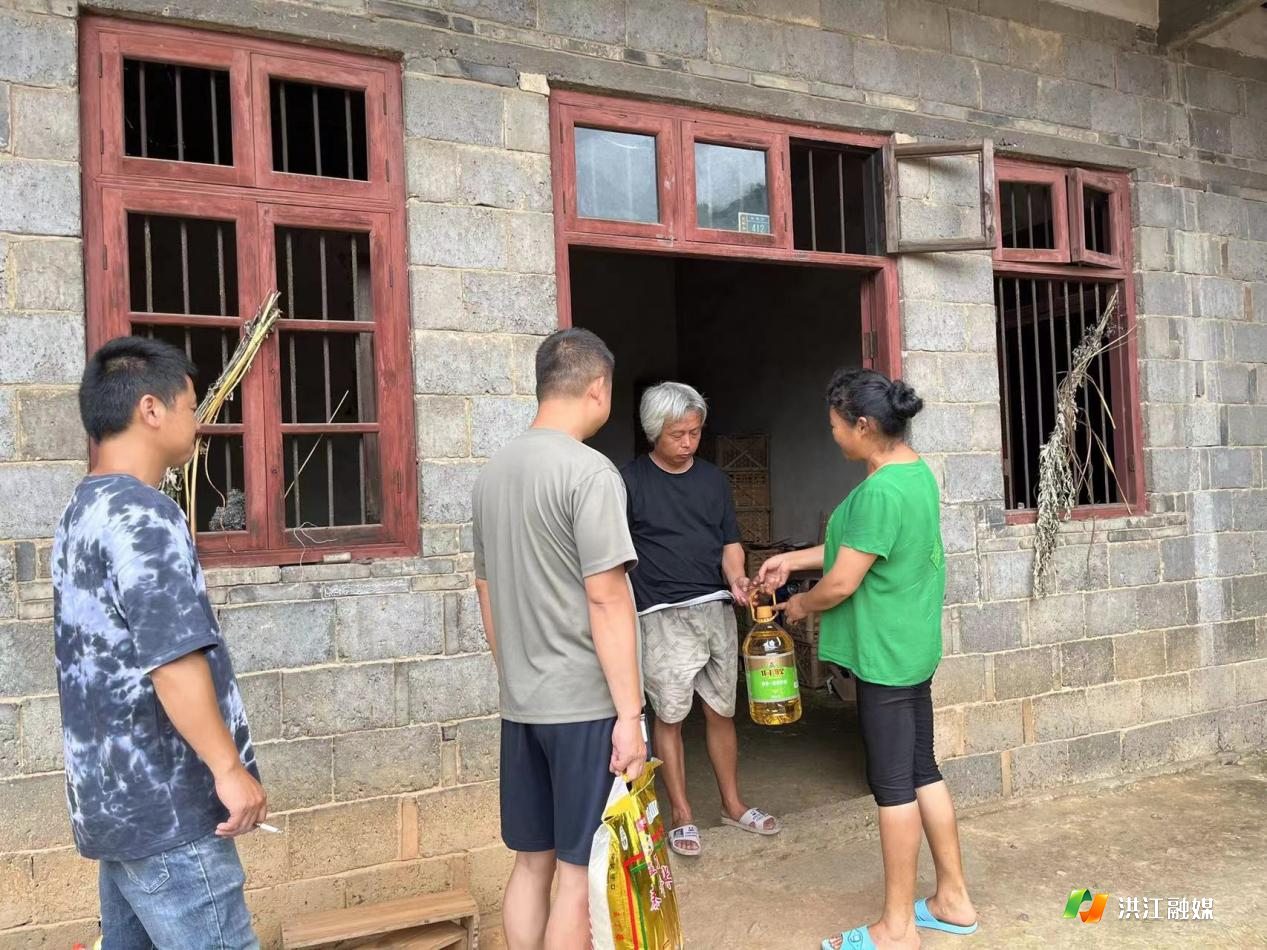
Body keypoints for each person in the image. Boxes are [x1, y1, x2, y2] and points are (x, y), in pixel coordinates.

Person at [53, 337, 266, 950]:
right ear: (151, 409)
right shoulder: (144, 514)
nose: (198, 421)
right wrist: (228, 768)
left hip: (114, 808)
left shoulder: (80, 511)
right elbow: (171, 657)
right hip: (171, 810)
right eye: (190, 406)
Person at [757, 368, 978, 950]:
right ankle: (953, 899)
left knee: (893, 786)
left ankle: (897, 928)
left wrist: (799, 604)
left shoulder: (880, 491)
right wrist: (792, 560)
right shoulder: (913, 471)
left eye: (835, 425)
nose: (832, 434)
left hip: (886, 655)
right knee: (922, 770)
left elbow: (841, 582)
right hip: (912, 645)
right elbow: (862, 548)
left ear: (862, 425)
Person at [472, 328, 647, 950]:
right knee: (579, 872)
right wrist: (630, 714)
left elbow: (486, 591)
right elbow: (607, 597)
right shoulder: (590, 472)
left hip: (523, 705)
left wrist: (516, 677)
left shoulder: (492, 474)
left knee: (531, 864)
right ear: (598, 388)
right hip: (583, 707)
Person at [620, 382, 779, 858]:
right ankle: (682, 814)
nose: (688, 442)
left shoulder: (712, 480)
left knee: (721, 710)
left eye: (694, 432)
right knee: (670, 715)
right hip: (660, 614)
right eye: (678, 434)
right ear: (654, 431)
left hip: (715, 608)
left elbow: (730, 543)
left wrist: (737, 579)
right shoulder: (628, 482)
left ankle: (733, 803)